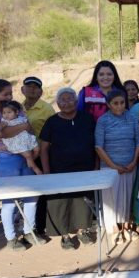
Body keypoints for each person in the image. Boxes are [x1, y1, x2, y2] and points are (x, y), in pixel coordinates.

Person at [0, 79, 47, 250]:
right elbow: (4, 134)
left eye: (10, 93)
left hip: (24, 157)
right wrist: (23, 125)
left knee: (32, 195)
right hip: (4, 159)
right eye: (5, 94)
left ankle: (29, 231)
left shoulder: (16, 108)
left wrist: (27, 131)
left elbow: (29, 129)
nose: (9, 96)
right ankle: (11, 238)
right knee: (9, 200)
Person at [39, 87, 97, 249]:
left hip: (85, 169)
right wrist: (46, 173)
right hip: (59, 171)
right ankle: (64, 236)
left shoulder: (87, 118)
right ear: (57, 103)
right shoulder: (52, 122)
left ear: (77, 102)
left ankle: (82, 231)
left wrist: (96, 166)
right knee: (60, 203)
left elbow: (96, 144)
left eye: (70, 99)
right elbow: (44, 148)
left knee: (82, 202)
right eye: (62, 100)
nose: (66, 103)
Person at [95, 89, 139, 244]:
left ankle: (127, 226)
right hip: (110, 169)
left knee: (128, 197)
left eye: (122, 102)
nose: (119, 106)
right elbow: (98, 147)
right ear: (108, 104)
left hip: (130, 166)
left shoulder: (131, 117)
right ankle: (115, 230)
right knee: (113, 200)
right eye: (115, 103)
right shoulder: (103, 120)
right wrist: (114, 166)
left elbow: (138, 141)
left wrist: (134, 161)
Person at [21, 76, 55, 235]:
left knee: (40, 193)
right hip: (22, 156)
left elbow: (52, 135)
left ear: (41, 91)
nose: (32, 89)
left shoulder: (47, 109)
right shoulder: (17, 108)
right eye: (29, 86)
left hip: (40, 156)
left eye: (36, 87)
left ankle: (39, 226)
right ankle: (26, 225)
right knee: (26, 191)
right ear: (22, 90)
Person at [0, 101, 42, 176]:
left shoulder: (21, 118)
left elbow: (29, 127)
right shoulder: (5, 122)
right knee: (28, 155)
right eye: (4, 113)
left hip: (26, 139)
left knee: (37, 149)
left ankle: (29, 161)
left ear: (17, 112)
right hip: (16, 141)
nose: (6, 115)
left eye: (9, 112)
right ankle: (36, 169)